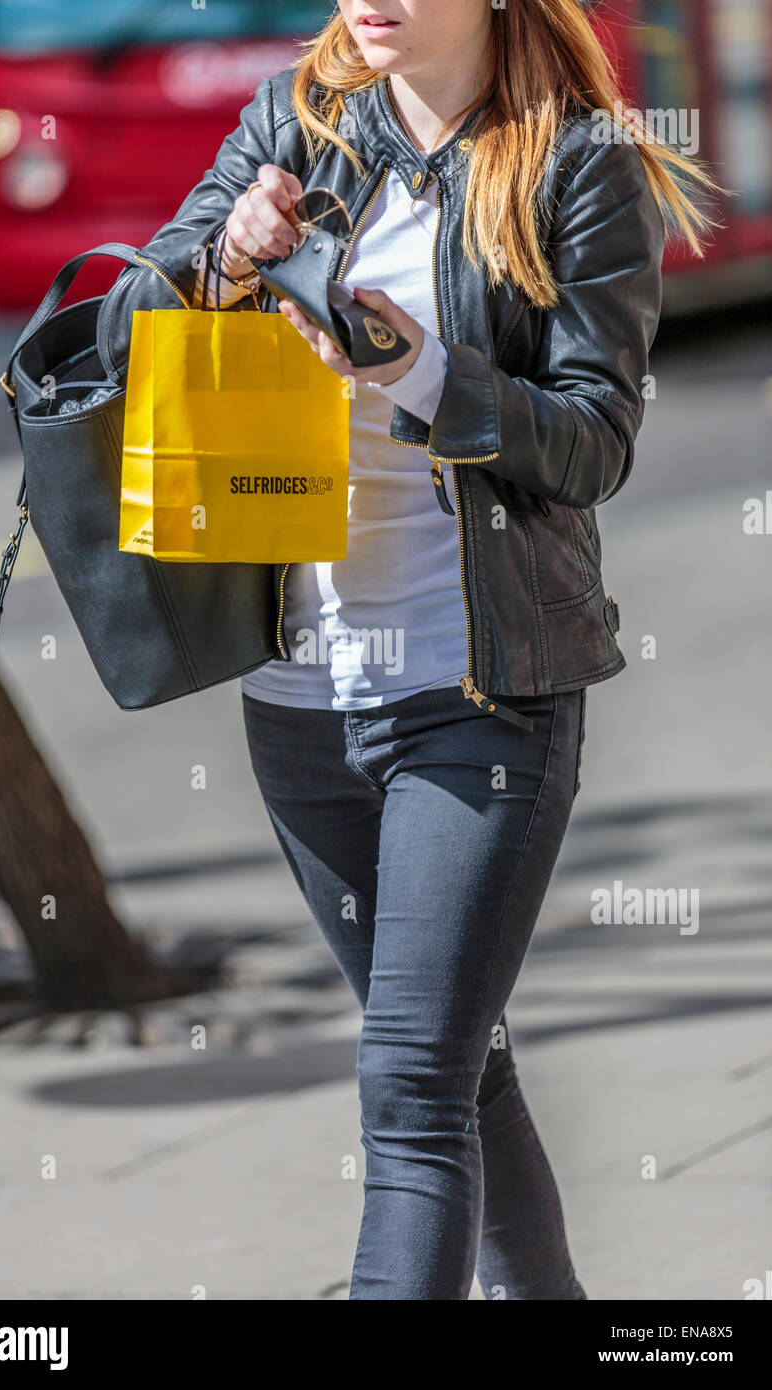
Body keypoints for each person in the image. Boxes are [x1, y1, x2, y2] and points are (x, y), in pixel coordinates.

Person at [98, 0, 715, 1300]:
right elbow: (127, 325)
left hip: (477, 688)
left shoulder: (572, 160)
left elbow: (592, 439)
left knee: (409, 1078)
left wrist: (417, 367)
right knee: (457, 1058)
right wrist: (226, 256)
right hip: (298, 699)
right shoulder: (299, 115)